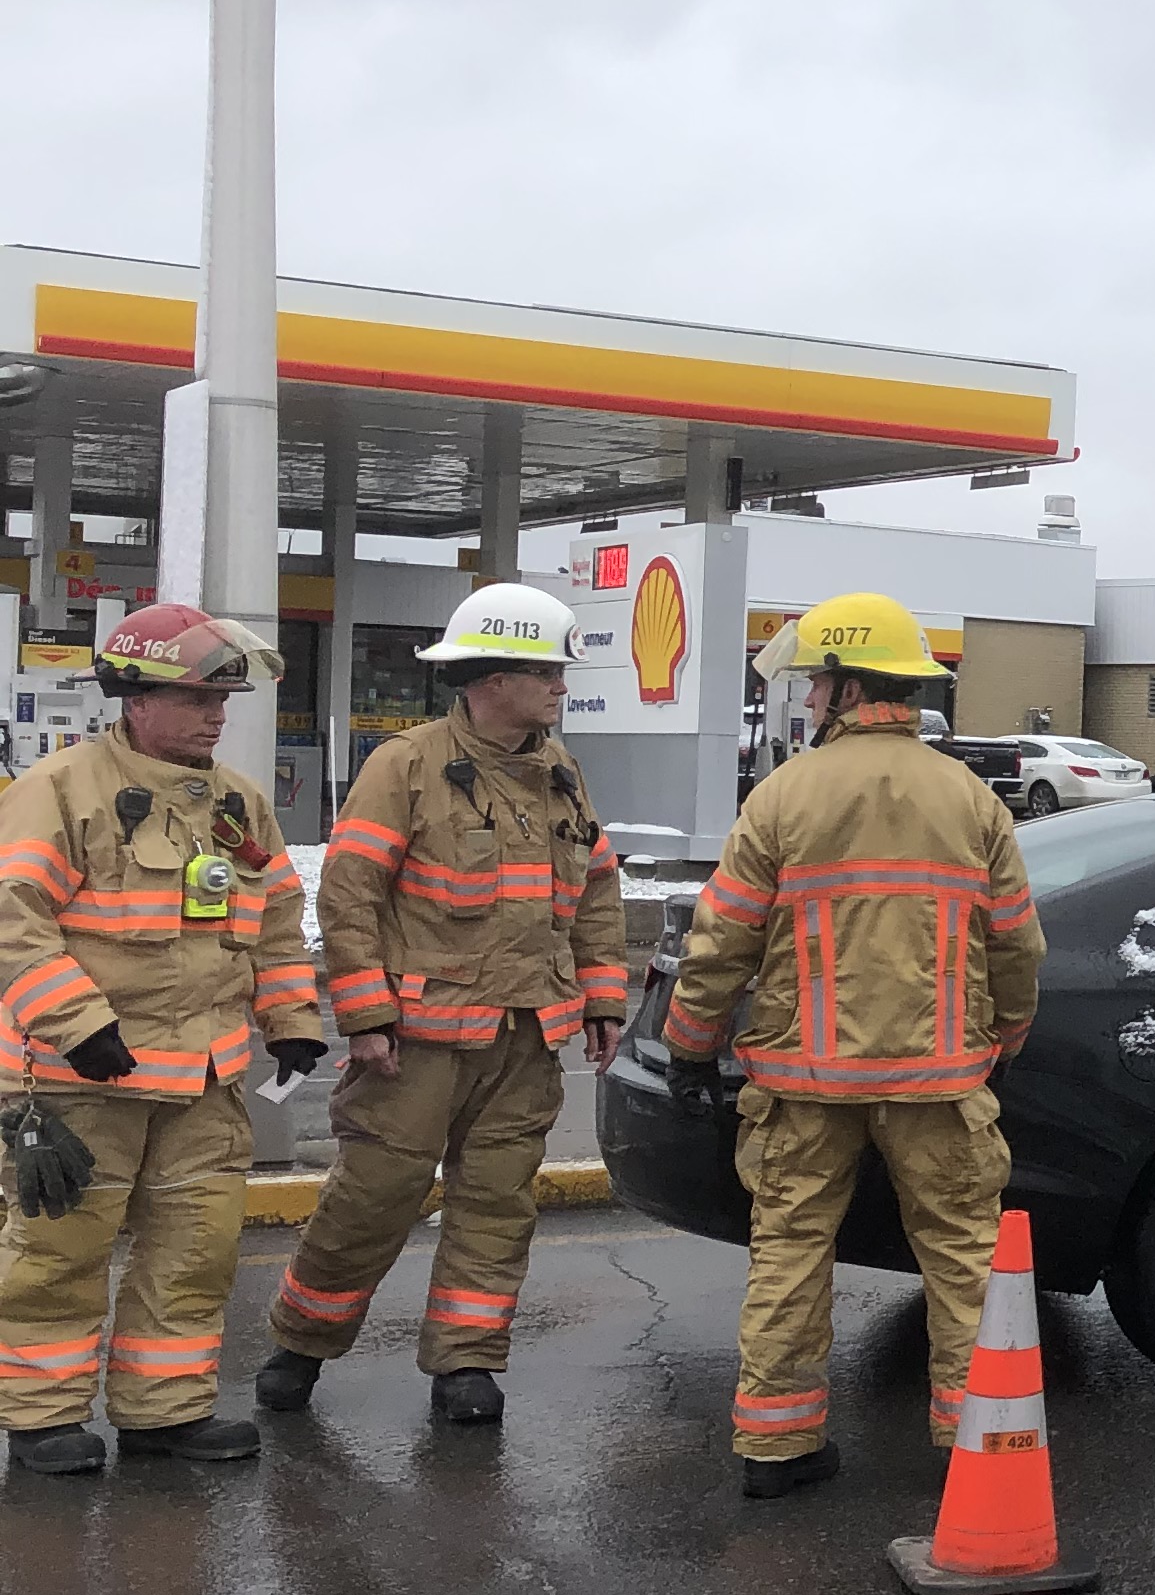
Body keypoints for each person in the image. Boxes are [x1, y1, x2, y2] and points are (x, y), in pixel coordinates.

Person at [664, 593, 1045, 1499]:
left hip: (804, 1081)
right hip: (942, 1080)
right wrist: (1006, 1036)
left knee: (791, 1251)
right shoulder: (971, 799)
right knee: (962, 1259)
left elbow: (723, 941)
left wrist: (689, 1045)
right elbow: (1018, 943)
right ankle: (976, 1446)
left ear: (846, 688)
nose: (807, 702)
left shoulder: (784, 796)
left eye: (816, 684)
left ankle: (777, 1446)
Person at [255, 582, 625, 1429]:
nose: (562, 688)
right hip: (416, 1042)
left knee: (498, 1205)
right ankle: (299, 1344)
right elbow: (350, 896)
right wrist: (368, 1015)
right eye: (547, 674)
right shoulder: (408, 765)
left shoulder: (560, 772)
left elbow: (597, 888)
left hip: (527, 1039)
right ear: (493, 679)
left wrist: (604, 998)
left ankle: (467, 1364)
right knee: (372, 1198)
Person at [0, 605, 324, 1476]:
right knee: (57, 1256)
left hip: (203, 1084)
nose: (217, 716)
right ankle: (39, 1418)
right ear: (135, 699)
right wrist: (80, 1025)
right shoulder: (61, 788)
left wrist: (291, 1021)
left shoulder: (235, 802)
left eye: (224, 699)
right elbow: (13, 919)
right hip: (80, 1081)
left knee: (196, 1251)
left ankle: (164, 1413)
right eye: (195, 699)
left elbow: (277, 921)